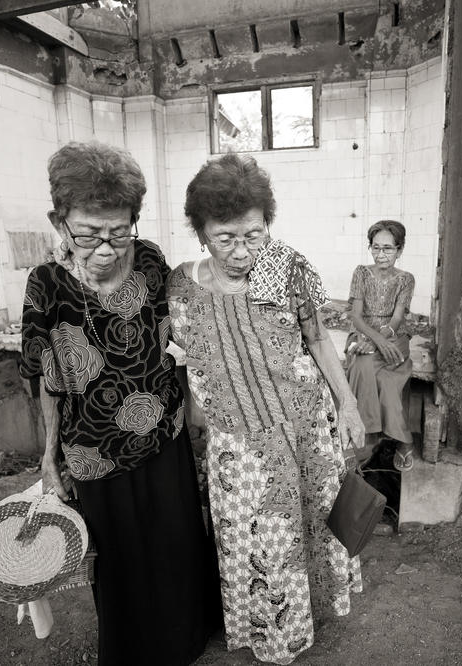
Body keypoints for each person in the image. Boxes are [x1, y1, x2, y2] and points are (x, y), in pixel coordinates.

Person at [18, 141, 220, 665]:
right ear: (58, 221)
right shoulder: (46, 285)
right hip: (94, 452)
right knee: (121, 561)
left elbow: (183, 332)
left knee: (177, 543)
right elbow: (45, 379)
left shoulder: (150, 259)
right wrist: (48, 459)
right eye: (88, 233)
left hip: (165, 435)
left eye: (118, 230)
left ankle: (189, 637)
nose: (106, 248)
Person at [167, 153, 365, 665]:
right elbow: (190, 359)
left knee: (306, 530)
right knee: (248, 544)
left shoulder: (287, 266)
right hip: (235, 441)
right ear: (201, 232)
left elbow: (319, 342)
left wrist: (348, 406)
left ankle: (301, 624)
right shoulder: (180, 285)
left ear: (267, 223)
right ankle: (266, 632)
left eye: (253, 235)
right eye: (224, 237)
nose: (240, 251)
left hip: (301, 428)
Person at [345, 220, 416, 472]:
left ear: (399, 249)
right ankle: (372, 435)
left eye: (387, 248)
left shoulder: (406, 279)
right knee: (363, 363)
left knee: (387, 380)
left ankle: (379, 438)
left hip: (394, 335)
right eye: (375, 248)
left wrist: (384, 338)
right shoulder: (362, 273)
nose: (381, 254)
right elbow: (355, 316)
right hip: (363, 331)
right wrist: (373, 340)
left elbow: (397, 318)